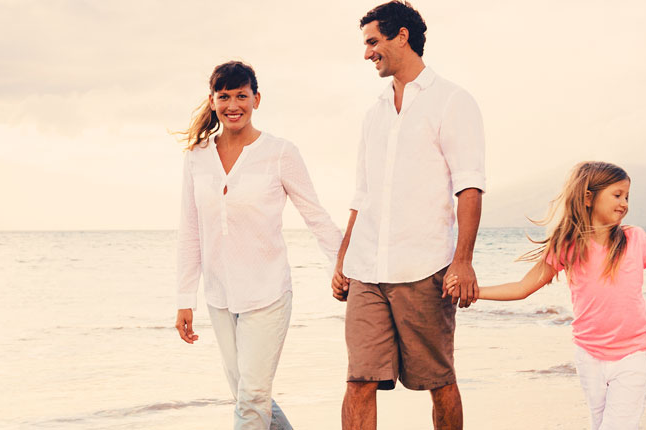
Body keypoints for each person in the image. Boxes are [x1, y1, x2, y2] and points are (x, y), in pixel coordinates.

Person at [447, 161, 646, 429]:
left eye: (627, 196)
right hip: (588, 355)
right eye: (617, 194)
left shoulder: (634, 239)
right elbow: (522, 288)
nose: (625, 203)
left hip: (633, 353)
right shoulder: (567, 245)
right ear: (588, 197)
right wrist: (475, 292)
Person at [329, 2, 485, 429]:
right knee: (359, 379)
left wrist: (463, 260)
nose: (367, 53)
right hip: (366, 270)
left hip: (424, 267)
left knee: (438, 381)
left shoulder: (453, 101)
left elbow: (469, 186)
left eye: (373, 42)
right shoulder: (373, 113)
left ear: (402, 36)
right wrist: (343, 258)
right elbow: (362, 194)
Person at [174, 60, 344, 430]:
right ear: (212, 100)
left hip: (267, 293)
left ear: (257, 99)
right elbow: (190, 230)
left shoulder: (280, 152)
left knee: (251, 400)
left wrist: (344, 265)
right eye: (224, 97)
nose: (233, 105)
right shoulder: (197, 156)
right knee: (248, 396)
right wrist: (185, 298)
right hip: (219, 295)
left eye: (241, 96)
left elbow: (315, 215)